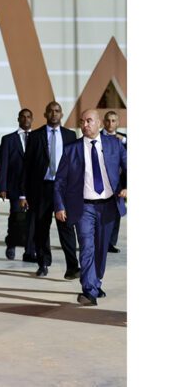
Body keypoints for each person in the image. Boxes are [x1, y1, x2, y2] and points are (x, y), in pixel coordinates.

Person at [54, 109, 126, 306]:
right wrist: (59, 206)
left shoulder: (114, 145)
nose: (85, 125)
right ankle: (88, 291)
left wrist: (127, 187)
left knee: (101, 250)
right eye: (82, 121)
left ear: (99, 123)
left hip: (108, 206)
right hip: (84, 207)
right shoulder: (71, 149)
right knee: (87, 247)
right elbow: (59, 181)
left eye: (89, 121)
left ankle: (96, 282)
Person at [19, 101, 79, 279]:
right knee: (41, 228)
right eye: (50, 111)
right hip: (41, 188)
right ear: (45, 114)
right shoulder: (35, 136)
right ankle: (43, 263)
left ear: (61, 114)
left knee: (67, 228)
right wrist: (23, 193)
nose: (54, 113)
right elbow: (27, 166)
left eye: (57, 111)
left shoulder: (70, 135)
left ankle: (72, 267)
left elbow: (76, 164)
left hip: (63, 189)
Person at [0, 109, 36, 261]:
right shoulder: (8, 139)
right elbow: (3, 164)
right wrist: (2, 187)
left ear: (32, 119)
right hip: (14, 186)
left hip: (33, 187)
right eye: (23, 117)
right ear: (18, 119)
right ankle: (11, 243)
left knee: (32, 220)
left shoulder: (38, 138)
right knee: (16, 217)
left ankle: (29, 250)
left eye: (28, 117)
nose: (26, 119)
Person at [102, 110, 126, 253]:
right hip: (100, 181)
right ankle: (99, 241)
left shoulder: (123, 139)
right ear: (103, 122)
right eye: (108, 120)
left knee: (116, 213)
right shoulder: (96, 136)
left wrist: (123, 140)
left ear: (118, 123)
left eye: (113, 121)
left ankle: (111, 243)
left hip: (118, 184)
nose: (110, 123)